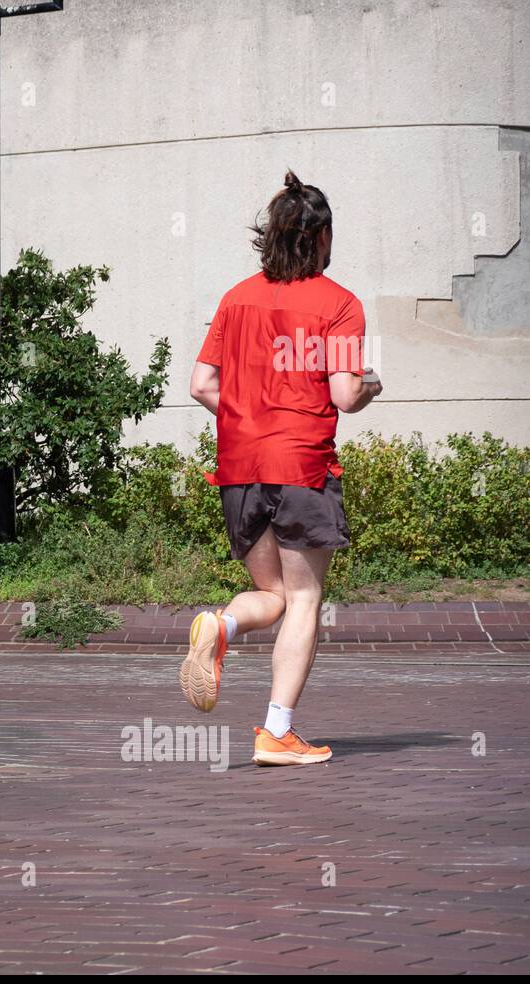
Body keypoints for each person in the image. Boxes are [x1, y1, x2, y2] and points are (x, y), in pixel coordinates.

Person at [182, 170, 382, 767]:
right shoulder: (340, 304)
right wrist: (373, 383)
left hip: (240, 467)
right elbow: (345, 395)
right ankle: (275, 731)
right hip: (300, 466)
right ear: (320, 239)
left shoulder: (235, 297)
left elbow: (200, 385)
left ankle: (221, 626)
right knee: (304, 596)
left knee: (273, 592)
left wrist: (250, 414)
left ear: (270, 236)